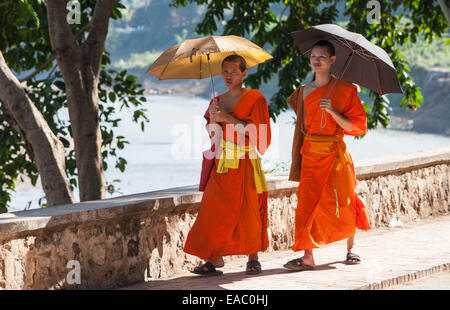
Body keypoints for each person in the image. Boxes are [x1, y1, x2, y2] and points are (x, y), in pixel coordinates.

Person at [283, 40, 371, 271]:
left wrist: (332, 111)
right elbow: (303, 127)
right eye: (313, 56)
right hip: (311, 154)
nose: (316, 60)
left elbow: (358, 128)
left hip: (335, 154)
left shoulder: (345, 90)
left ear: (332, 60)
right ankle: (307, 256)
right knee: (306, 205)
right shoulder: (304, 91)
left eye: (322, 56)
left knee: (345, 200)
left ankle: (352, 248)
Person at [184, 54, 271, 276]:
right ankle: (213, 259)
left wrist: (227, 118)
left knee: (249, 211)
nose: (228, 76)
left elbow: (259, 136)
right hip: (223, 162)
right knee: (212, 210)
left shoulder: (255, 99)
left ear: (244, 73)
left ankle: (253, 258)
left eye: (233, 71)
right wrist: (214, 119)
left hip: (246, 162)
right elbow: (214, 136)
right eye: (224, 71)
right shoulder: (216, 101)